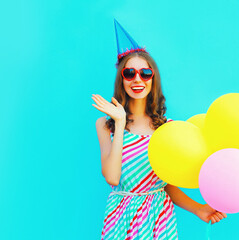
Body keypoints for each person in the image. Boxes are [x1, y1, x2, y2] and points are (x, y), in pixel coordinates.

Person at [92, 20, 227, 239]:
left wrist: (199, 209)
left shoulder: (167, 128)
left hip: (159, 217)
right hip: (121, 216)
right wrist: (119, 121)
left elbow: (166, 184)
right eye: (130, 73)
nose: (138, 79)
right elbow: (113, 178)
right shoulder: (105, 125)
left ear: (153, 78)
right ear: (121, 79)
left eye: (145, 73)